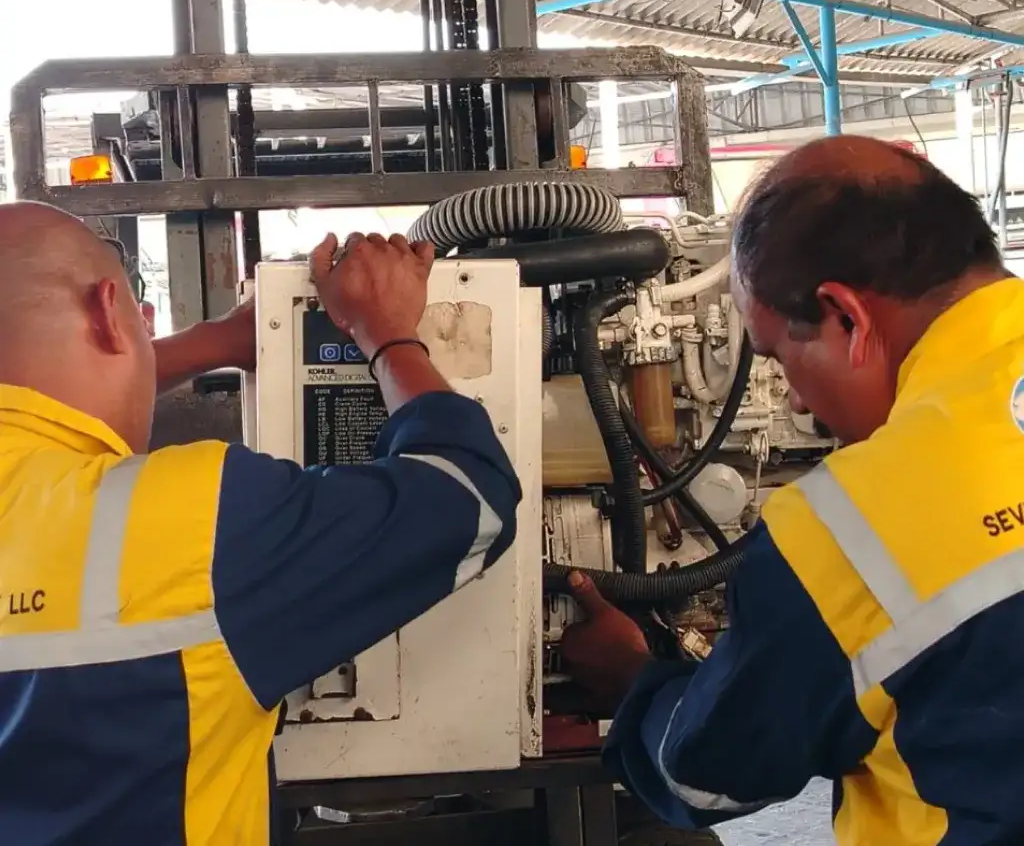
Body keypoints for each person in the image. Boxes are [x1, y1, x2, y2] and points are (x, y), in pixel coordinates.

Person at [0, 201, 522, 845]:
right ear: (109, 312)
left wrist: (219, 341)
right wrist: (387, 333)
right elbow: (469, 497)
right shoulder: (187, 522)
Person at [561, 135, 1024, 845]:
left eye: (779, 356)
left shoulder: (854, 525)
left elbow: (710, 774)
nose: (800, 403)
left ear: (846, 317)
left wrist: (632, 679)